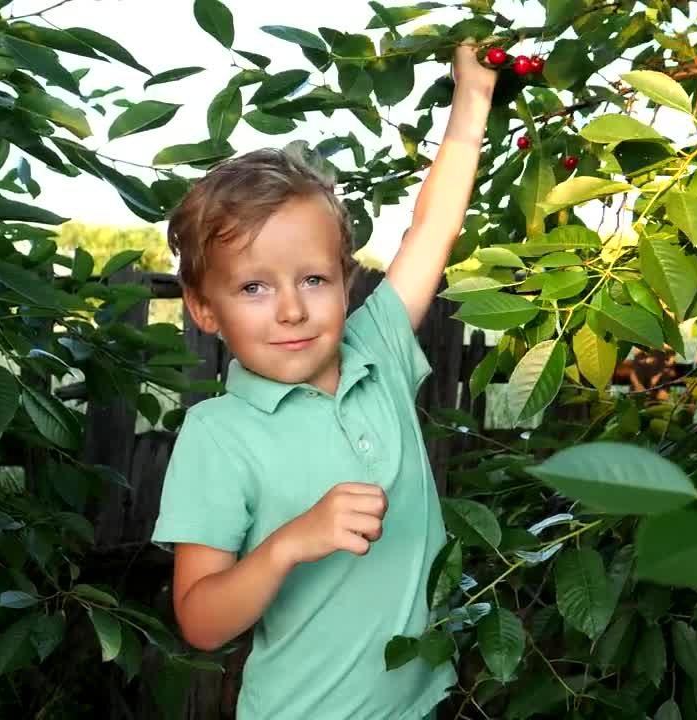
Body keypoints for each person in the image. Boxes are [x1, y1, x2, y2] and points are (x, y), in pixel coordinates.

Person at [150, 42, 495, 720]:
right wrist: (288, 544)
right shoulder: (220, 434)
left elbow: (434, 224)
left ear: (346, 281)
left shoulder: (380, 351)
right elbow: (201, 621)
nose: (290, 308)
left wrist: (474, 95)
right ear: (204, 308)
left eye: (313, 278)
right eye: (254, 286)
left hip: (423, 702)